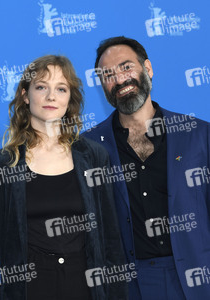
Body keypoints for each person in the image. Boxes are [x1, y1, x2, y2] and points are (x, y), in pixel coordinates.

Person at [0, 55, 127, 299]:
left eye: (61, 89)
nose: (51, 97)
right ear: (25, 95)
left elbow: (110, 236)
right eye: (41, 87)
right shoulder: (3, 164)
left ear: (69, 98)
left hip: (86, 285)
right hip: (30, 287)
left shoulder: (94, 156)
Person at [82, 36, 210, 299]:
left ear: (148, 69)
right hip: (129, 285)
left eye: (126, 67)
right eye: (108, 74)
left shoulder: (198, 134)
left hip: (196, 277)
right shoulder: (88, 147)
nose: (119, 80)